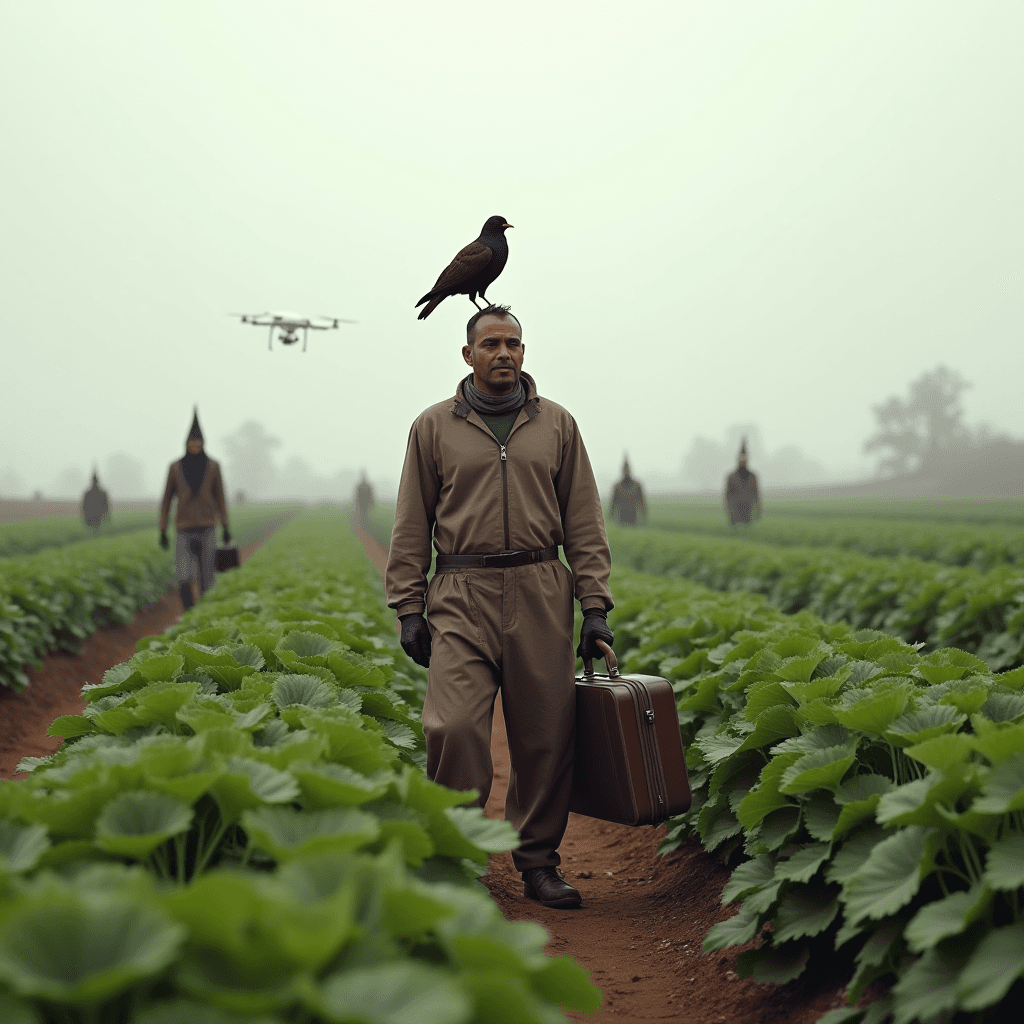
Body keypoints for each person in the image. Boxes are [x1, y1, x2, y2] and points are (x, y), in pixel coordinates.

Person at [386, 304, 613, 910]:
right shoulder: (433, 428)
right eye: (491, 344)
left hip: (541, 588)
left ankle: (538, 862)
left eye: (513, 343)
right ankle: (459, 855)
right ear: (468, 355)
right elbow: (411, 522)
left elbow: (584, 520)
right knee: (454, 726)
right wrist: (408, 606)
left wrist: (595, 606)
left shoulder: (557, 425)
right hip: (461, 591)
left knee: (544, 736)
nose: (504, 353)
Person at [159, 409, 231, 609]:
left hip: (207, 526)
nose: (195, 447)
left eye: (198, 443)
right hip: (184, 528)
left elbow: (221, 498)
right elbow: (166, 501)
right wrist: (162, 529)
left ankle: (205, 614)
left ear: (203, 444)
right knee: (183, 576)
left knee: (208, 578)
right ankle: (189, 612)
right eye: (192, 443)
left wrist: (225, 526)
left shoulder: (213, 466)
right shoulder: (175, 467)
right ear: (186, 444)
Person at [724, 438, 761, 526]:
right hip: (735, 508)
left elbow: (756, 493)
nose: (743, 461)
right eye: (741, 459)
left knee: (746, 528)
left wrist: (757, 509)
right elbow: (728, 495)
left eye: (745, 459)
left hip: (747, 508)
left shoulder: (752, 476)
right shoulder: (732, 477)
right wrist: (729, 509)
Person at [610, 456, 647, 526]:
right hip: (621, 518)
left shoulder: (636, 486)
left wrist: (643, 514)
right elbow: (613, 503)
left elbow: (641, 502)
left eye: (627, 470)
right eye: (625, 470)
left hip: (633, 517)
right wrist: (611, 515)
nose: (626, 472)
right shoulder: (618, 487)